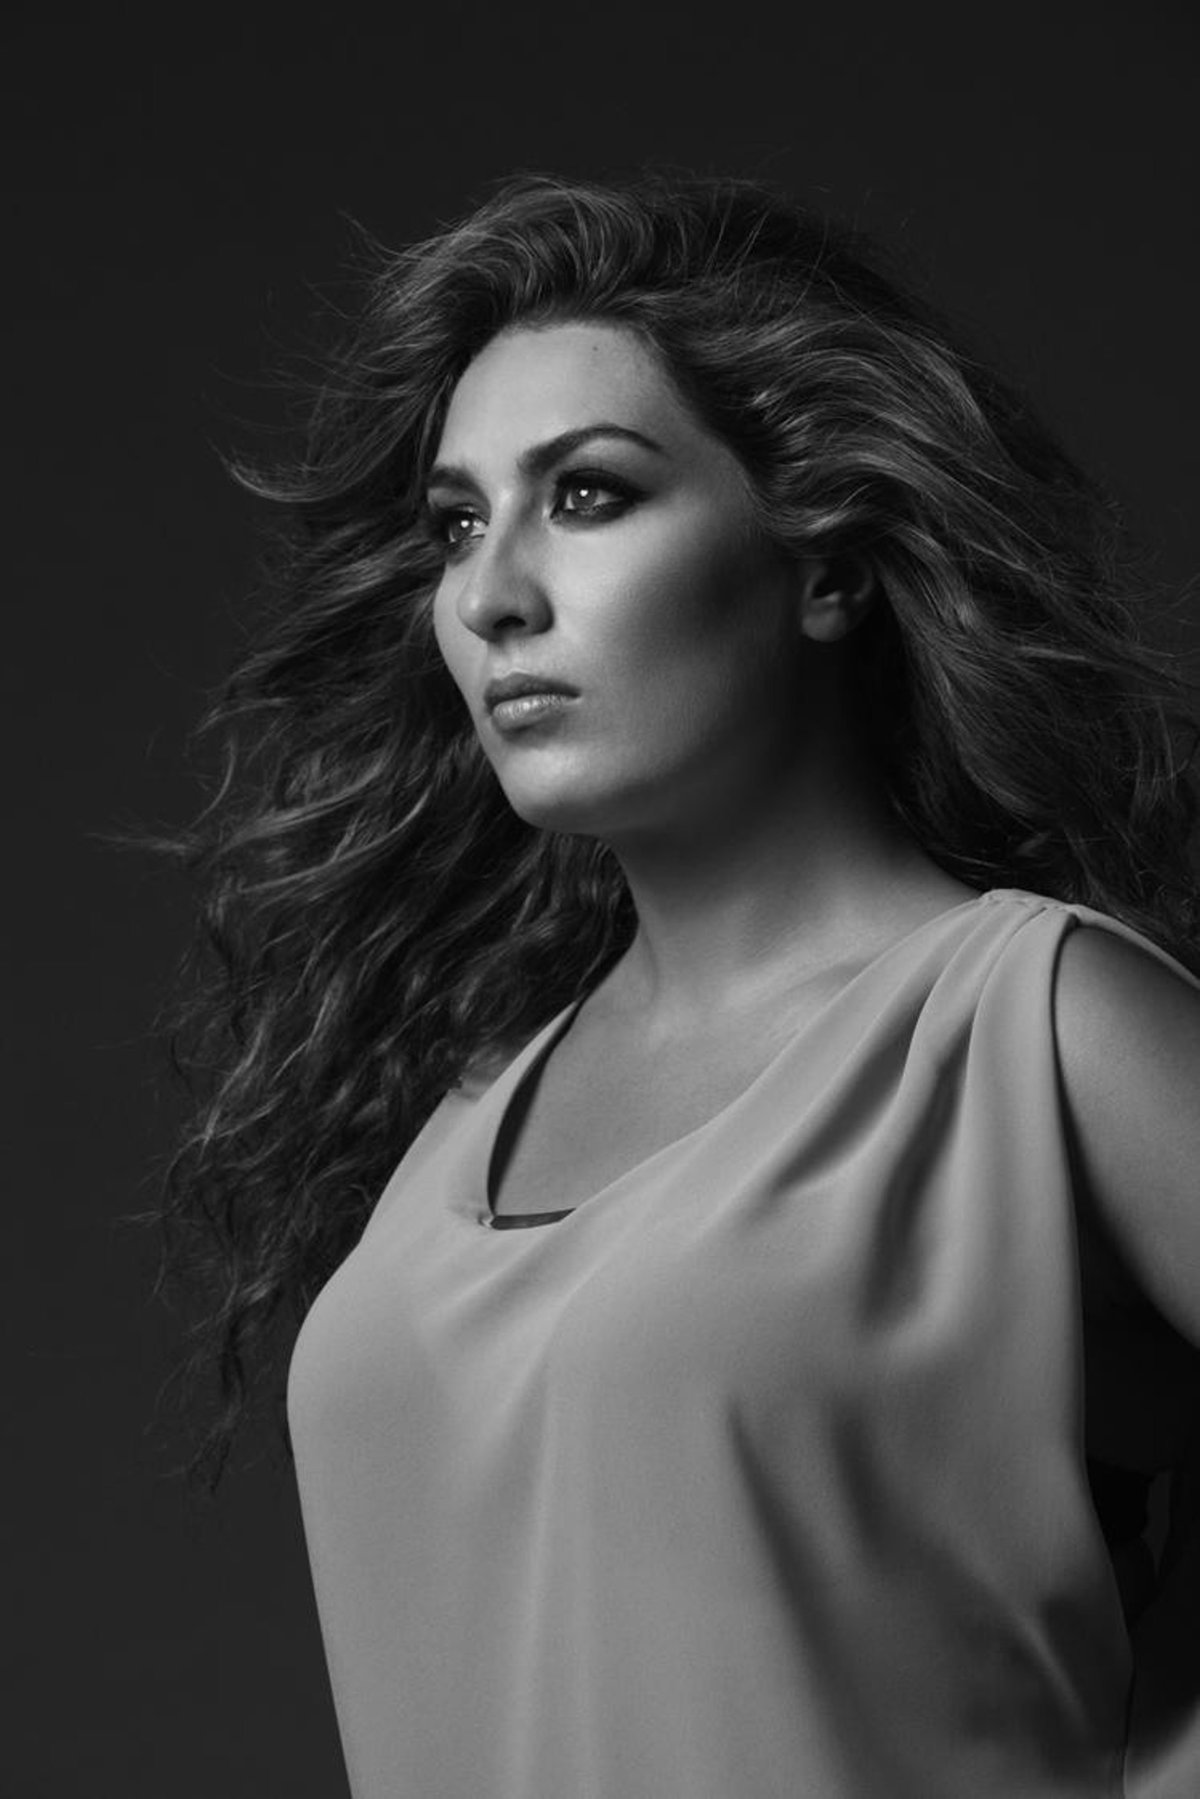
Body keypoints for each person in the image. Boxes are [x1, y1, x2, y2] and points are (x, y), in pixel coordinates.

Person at [159, 170, 1200, 1797]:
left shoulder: (1039, 1027)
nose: (492, 594)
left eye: (586, 495)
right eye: (457, 525)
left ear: (825, 565)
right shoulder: (465, 1117)